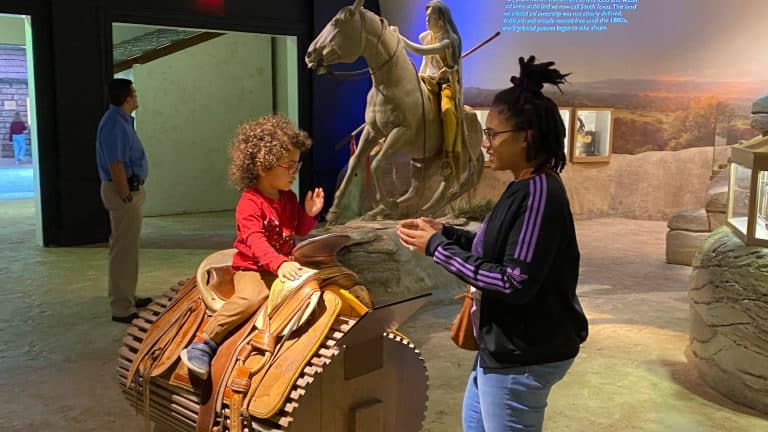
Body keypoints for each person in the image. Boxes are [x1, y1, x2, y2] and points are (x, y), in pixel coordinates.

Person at [396, 56, 589, 432]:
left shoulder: (539, 193)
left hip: (524, 354)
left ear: (525, 137)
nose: (485, 144)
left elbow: (513, 281)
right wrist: (447, 232)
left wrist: (437, 247)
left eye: (492, 134)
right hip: (500, 350)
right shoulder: (523, 186)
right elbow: (497, 246)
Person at [181, 114, 324, 379]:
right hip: (254, 267)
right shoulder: (249, 203)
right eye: (289, 165)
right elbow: (255, 242)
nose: (294, 172)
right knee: (251, 298)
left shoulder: (289, 198)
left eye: (297, 165)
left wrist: (309, 213)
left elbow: (298, 230)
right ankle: (204, 342)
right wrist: (279, 263)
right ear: (263, 165)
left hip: (283, 265)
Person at [96, 78, 153, 323]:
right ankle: (121, 307)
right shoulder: (114, 124)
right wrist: (125, 194)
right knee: (123, 250)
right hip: (123, 192)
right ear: (127, 97)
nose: (136, 97)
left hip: (127, 190)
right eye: (134, 93)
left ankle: (127, 296)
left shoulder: (121, 122)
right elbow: (115, 163)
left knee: (127, 249)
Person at [398, 0, 465, 178]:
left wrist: (399, 38)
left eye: (431, 18)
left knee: (447, 110)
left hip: (446, 83)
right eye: (426, 17)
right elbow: (425, 62)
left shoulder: (450, 40)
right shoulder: (425, 36)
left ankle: (448, 157)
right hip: (428, 79)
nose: (427, 21)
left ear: (441, 20)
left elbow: (420, 52)